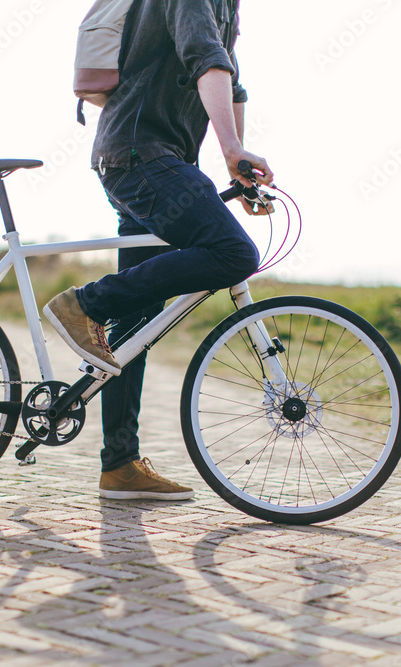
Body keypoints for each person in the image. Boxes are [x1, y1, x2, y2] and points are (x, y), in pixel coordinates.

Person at [44, 0, 274, 500]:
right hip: (138, 154)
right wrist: (233, 150)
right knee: (234, 252)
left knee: (136, 321)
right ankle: (84, 303)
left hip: (154, 157)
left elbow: (228, 80)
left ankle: (119, 465)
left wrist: (236, 164)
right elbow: (205, 58)